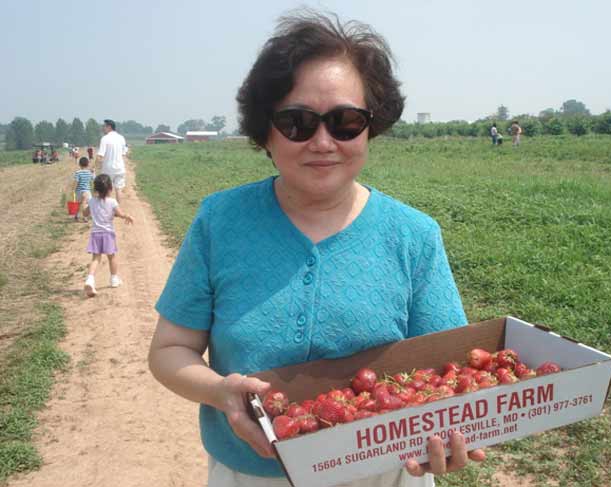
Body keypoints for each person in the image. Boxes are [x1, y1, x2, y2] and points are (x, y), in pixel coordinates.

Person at [148, 11, 485, 487]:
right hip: (250, 475)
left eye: (346, 122)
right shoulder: (220, 223)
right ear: (265, 131)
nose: (323, 142)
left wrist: (448, 436)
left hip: (384, 476)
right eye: (298, 122)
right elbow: (170, 349)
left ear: (371, 128)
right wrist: (221, 392)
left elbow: (446, 369)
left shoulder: (414, 236)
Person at [82, 174, 133, 297]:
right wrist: (127, 216)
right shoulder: (112, 201)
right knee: (111, 257)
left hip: (96, 234)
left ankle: (90, 279)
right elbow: (119, 214)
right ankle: (114, 279)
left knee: (96, 258)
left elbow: (85, 213)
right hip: (108, 233)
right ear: (110, 188)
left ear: (95, 189)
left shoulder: (92, 201)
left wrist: (83, 202)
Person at [97, 119, 127, 203]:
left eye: (104, 126)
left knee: (106, 190)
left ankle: (107, 209)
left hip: (108, 168)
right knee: (118, 189)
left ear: (109, 127)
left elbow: (100, 155)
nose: (103, 128)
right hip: (120, 168)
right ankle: (118, 210)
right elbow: (124, 153)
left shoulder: (105, 138)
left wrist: (95, 167)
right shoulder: (121, 138)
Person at [72, 156, 94, 222]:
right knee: (87, 204)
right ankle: (85, 217)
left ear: (79, 164)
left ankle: (76, 216)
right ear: (88, 164)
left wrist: (73, 189)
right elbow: (93, 179)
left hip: (79, 191)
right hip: (87, 191)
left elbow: (76, 181)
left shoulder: (78, 173)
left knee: (78, 204)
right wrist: (93, 172)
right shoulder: (89, 172)